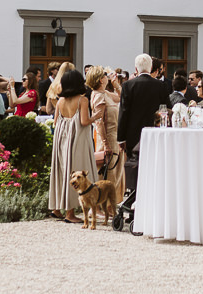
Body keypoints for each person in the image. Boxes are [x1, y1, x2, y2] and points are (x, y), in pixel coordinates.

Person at [48, 68, 96, 222]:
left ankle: (56, 209)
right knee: (75, 169)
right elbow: (83, 121)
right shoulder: (83, 100)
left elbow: (56, 122)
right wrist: (96, 116)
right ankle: (70, 214)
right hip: (77, 140)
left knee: (62, 170)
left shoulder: (60, 101)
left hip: (62, 140)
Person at [118, 53, 165, 196]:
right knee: (153, 167)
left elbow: (123, 112)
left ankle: (134, 200)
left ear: (136, 69)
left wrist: (121, 138)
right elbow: (165, 110)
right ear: (151, 67)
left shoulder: (127, 85)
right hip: (154, 133)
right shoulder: (160, 85)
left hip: (133, 134)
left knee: (135, 169)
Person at [87, 66, 124, 210]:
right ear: (100, 79)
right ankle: (100, 207)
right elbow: (99, 121)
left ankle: (107, 206)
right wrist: (106, 144)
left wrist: (115, 84)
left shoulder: (105, 93)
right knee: (107, 173)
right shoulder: (99, 96)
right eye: (104, 75)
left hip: (113, 136)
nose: (106, 76)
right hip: (108, 136)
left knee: (113, 172)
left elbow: (121, 97)